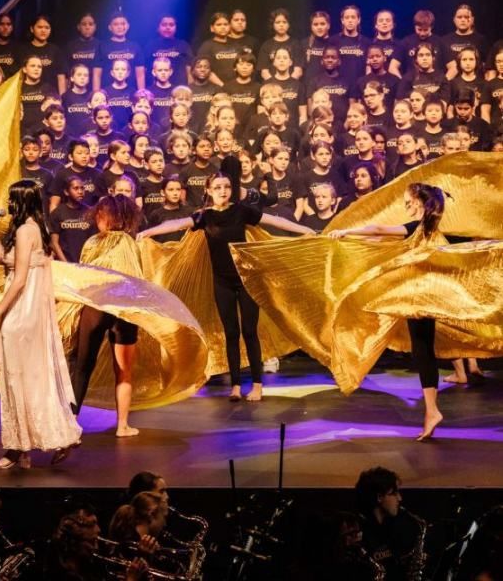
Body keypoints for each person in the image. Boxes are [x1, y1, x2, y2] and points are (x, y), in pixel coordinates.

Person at [138, 173, 315, 401]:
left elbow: (274, 221)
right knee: (231, 333)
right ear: (209, 191)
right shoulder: (205, 216)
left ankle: (258, 385)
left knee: (249, 332)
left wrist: (304, 230)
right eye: (218, 187)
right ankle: (235, 386)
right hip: (222, 282)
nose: (223, 191)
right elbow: (177, 223)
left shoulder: (241, 211)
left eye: (227, 187)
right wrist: (148, 232)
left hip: (246, 280)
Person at [328, 183, 456, 440]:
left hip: (419, 299)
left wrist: (344, 231)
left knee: (423, 350)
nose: (406, 205)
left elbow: (377, 230)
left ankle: (432, 410)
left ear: (420, 201)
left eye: (409, 201)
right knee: (424, 350)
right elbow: (377, 237)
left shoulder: (416, 229)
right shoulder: (429, 230)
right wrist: (354, 237)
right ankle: (432, 409)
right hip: (423, 297)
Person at [0, 181, 83, 468]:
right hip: (28, 311)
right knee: (26, 377)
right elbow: (4, 260)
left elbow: (20, 279)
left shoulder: (26, 231)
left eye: (12, 200)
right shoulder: (34, 229)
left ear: (21, 202)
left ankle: (22, 447)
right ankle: (21, 447)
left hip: (23, 312)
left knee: (21, 377)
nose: (8, 205)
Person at [68, 195, 145, 435]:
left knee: (82, 366)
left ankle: (70, 422)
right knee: (123, 371)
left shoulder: (95, 242)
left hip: (98, 307)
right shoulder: (127, 242)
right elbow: (134, 277)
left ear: (112, 216)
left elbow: (85, 273)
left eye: (101, 214)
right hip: (122, 309)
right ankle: (122, 425)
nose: (97, 219)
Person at [354, 467, 427, 581]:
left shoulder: (396, 528)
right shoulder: (357, 532)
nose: (399, 498)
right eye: (394, 493)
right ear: (379, 497)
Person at [50, 176, 96, 262]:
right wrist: (66, 263)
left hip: (85, 263)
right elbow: (54, 243)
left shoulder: (90, 212)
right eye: (76, 188)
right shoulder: (58, 213)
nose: (80, 192)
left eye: (82, 188)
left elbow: (94, 241)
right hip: (64, 264)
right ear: (66, 192)